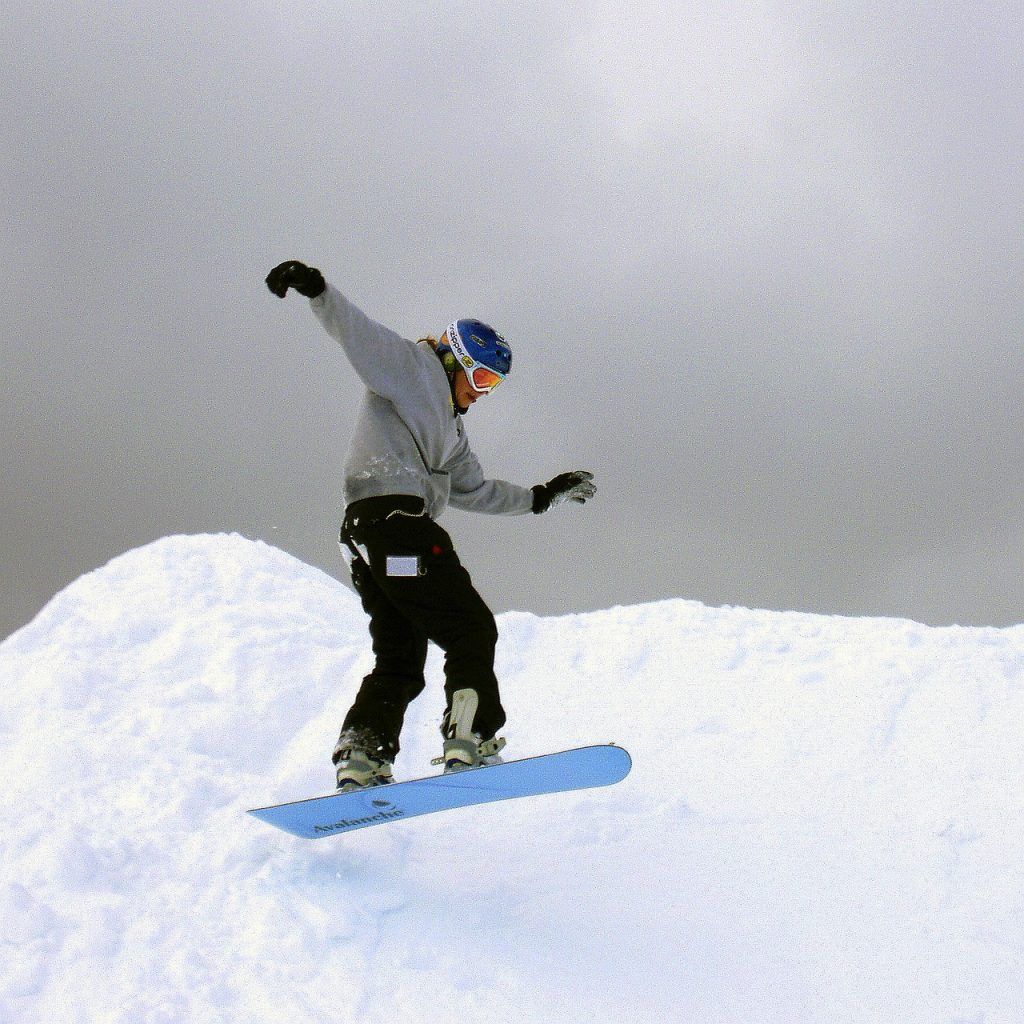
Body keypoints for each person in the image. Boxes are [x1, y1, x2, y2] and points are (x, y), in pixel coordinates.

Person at [265, 260, 596, 791]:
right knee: (471, 629)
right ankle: (472, 737)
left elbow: (475, 490)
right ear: (455, 360)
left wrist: (539, 499)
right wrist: (317, 288)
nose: (484, 392)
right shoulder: (412, 368)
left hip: (367, 542)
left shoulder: (451, 432)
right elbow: (358, 334)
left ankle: (362, 753)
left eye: (495, 385)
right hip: (397, 523)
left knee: (400, 657)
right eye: (482, 378)